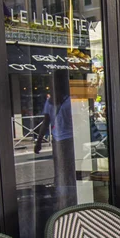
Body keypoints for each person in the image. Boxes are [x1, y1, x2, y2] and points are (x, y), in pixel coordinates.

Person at [34, 70, 77, 210]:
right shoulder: (69, 101)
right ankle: (69, 198)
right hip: (69, 139)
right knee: (70, 169)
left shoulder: (50, 101)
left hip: (57, 139)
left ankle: (60, 197)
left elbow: (45, 122)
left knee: (59, 169)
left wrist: (39, 141)